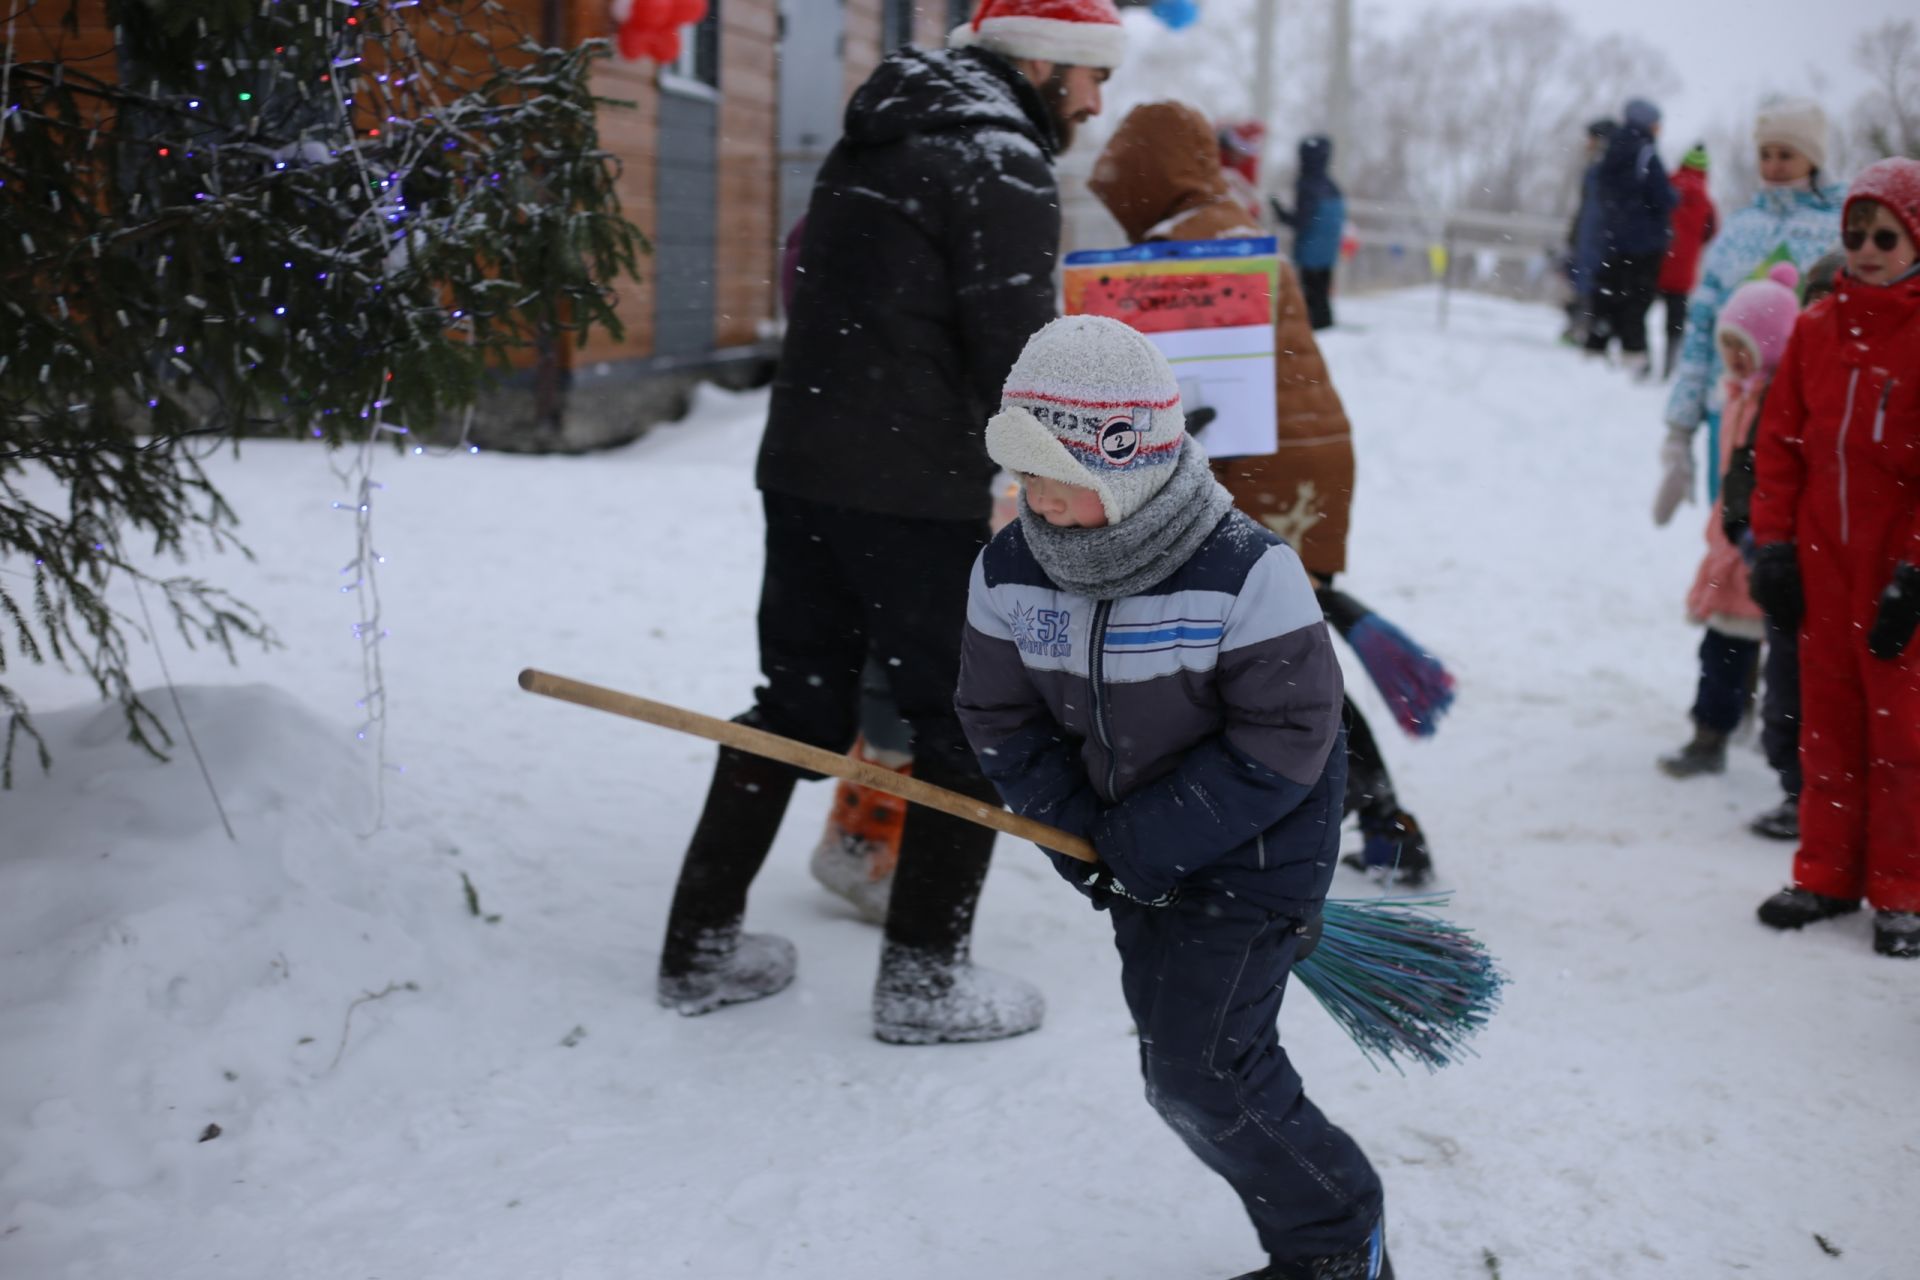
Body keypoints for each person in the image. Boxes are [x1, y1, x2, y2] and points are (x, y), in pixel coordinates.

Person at [655, 0, 1127, 1043]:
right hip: (911, 493)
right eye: (1092, 75)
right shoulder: (1000, 158)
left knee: (797, 705)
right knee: (967, 727)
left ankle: (697, 947)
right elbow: (1017, 355)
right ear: (1043, 62)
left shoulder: (881, 132)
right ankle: (922, 983)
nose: (1096, 102)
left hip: (806, 467)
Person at [956, 314, 1392, 1280]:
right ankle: (1325, 1231)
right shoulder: (1012, 568)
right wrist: (1082, 838)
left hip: (1254, 864)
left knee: (1204, 1075)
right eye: (1017, 472)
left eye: (1049, 474)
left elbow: (1286, 737)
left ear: (1126, 464)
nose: (1028, 498)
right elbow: (998, 716)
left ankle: (1337, 1236)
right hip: (1124, 861)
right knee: (1180, 1075)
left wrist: (1141, 841)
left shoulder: (1245, 571)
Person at [1087, 99, 1434, 886]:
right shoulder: (1217, 226)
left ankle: (1377, 821)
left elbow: (1179, 390)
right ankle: (1371, 821)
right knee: (1277, 664)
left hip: (1259, 475)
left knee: (1276, 672)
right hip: (1289, 467)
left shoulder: (1192, 252)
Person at [1652, 96, 1843, 837]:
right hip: (1732, 420)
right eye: (1766, 153)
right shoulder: (1743, 230)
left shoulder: (1837, 230)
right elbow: (1704, 324)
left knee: (1778, 563)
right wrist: (1680, 419)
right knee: (1732, 543)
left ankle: (1756, 694)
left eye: (1787, 154)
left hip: (1803, 431)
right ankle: (1737, 695)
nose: (1774, 166)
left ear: (1814, 158)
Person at [1748, 158, 1920, 959]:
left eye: (1886, 234)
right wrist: (1774, 549)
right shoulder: (1818, 329)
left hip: (1897, 574)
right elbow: (1777, 445)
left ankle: (1902, 889)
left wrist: (1914, 575)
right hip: (1822, 563)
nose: (1868, 248)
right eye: (1855, 233)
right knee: (1828, 727)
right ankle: (1824, 872)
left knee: (1903, 740)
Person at [1655, 264, 1799, 780]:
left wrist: (1756, 533)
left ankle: (1730, 734)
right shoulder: (1736, 396)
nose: (1736, 357)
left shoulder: (1779, 403)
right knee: (1726, 646)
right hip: (1733, 541)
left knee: (1742, 649)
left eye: (1748, 346)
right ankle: (1718, 729)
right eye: (1729, 344)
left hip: (1759, 545)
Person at [1584, 97, 1676, 375]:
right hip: (1645, 242)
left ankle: (1596, 349)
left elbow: (1602, 192)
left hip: (1614, 239)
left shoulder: (1613, 149)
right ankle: (1633, 355)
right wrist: (1671, 199)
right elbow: (1662, 196)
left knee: (1609, 295)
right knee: (1637, 301)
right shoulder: (1646, 153)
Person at [1657, 144, 1719, 379]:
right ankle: (1669, 363)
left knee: (1639, 308)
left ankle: (1637, 357)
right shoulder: (1706, 201)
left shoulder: (1666, 186)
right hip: (1683, 270)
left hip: (1657, 262)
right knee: (1675, 320)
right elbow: (1711, 231)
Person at [1272, 135, 1346, 330]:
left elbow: (1301, 220)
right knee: (1322, 291)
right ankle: (1325, 324)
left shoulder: (1307, 185)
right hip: (1328, 250)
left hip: (1310, 250)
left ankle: (1312, 326)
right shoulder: (1332, 186)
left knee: (1310, 293)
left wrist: (1279, 211)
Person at [1564, 119, 1616, 346]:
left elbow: (1593, 209)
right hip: (1589, 237)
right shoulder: (1598, 168)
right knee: (1582, 281)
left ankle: (1584, 329)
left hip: (1596, 239)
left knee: (1590, 284)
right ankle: (1581, 328)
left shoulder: (1603, 170)